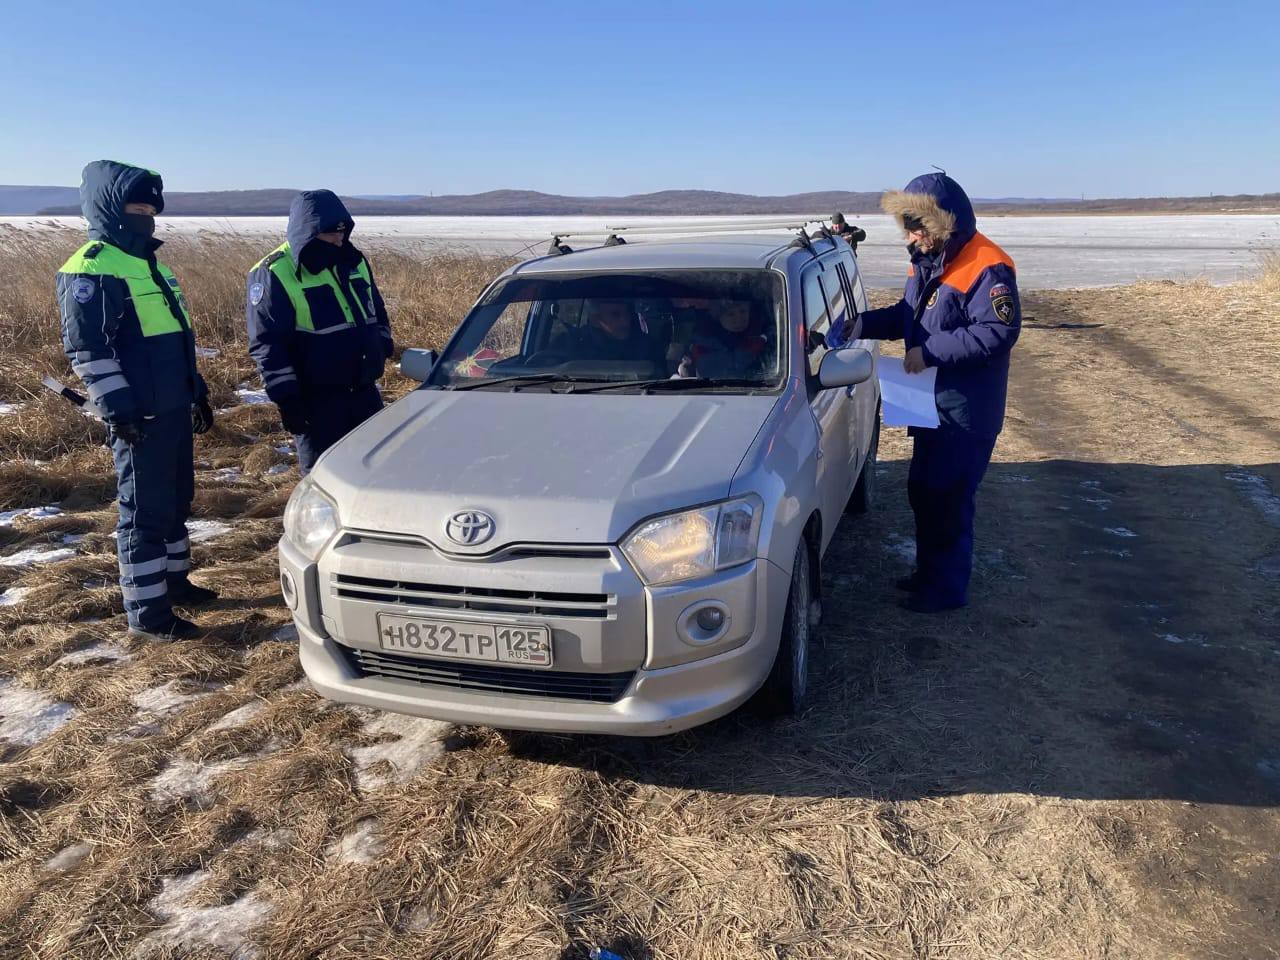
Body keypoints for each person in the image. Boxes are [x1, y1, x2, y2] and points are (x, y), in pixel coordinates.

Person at [845, 173, 1021, 613]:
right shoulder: (929, 259)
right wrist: (862, 325)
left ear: (942, 222)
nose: (910, 236)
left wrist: (929, 352)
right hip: (929, 404)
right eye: (906, 226)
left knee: (948, 497)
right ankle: (929, 574)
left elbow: (997, 331)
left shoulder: (987, 265)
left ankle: (945, 591)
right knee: (924, 490)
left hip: (965, 410)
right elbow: (909, 314)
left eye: (916, 226)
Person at [56, 160, 217, 640]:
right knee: (144, 513)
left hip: (173, 407)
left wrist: (197, 394)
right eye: (137, 208)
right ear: (111, 208)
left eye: (151, 209)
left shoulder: (152, 265)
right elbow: (88, 351)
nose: (146, 217)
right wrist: (119, 410)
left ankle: (175, 584)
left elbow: (177, 341)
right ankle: (148, 615)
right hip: (139, 416)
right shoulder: (91, 267)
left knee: (176, 502)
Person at [246, 190, 394, 474]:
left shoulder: (353, 260)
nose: (339, 239)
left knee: (375, 474)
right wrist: (288, 399)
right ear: (308, 233)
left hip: (364, 391)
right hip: (316, 402)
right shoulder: (274, 272)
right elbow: (267, 343)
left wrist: (382, 343)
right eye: (331, 234)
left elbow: (376, 309)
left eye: (343, 232)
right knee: (324, 480)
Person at [672, 300, 771, 379]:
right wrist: (685, 370)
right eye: (730, 314)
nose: (739, 319)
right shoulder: (701, 345)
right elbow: (685, 368)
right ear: (718, 317)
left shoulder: (758, 340)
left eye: (743, 311)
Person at [550, 299, 662, 367]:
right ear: (595, 319)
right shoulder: (568, 344)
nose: (625, 321)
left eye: (627, 313)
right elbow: (545, 369)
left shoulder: (647, 347)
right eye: (615, 314)